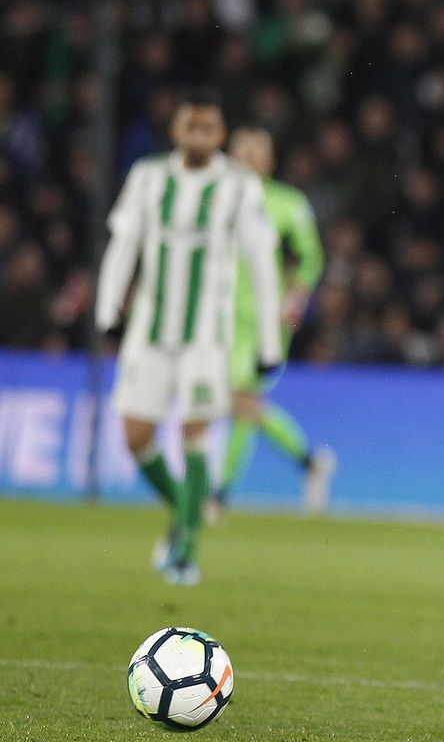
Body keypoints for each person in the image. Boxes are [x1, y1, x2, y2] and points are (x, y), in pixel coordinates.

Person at [95, 88, 283, 585]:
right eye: (189, 127)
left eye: (207, 128)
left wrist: (268, 344)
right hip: (149, 333)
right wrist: (106, 308)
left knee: (194, 432)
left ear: (219, 135)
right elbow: (123, 244)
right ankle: (185, 511)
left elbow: (263, 265)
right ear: (175, 131)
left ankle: (185, 549)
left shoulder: (240, 186)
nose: (198, 136)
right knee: (135, 435)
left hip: (207, 336)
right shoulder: (148, 177)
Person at [207, 127, 335, 523]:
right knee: (244, 406)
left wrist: (294, 297)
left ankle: (218, 496)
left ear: (269, 162)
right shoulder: (212, 201)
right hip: (218, 318)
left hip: (264, 322)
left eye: (255, 153)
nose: (246, 158)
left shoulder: (286, 204)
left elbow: (311, 258)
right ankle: (311, 462)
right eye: (240, 151)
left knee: (240, 400)